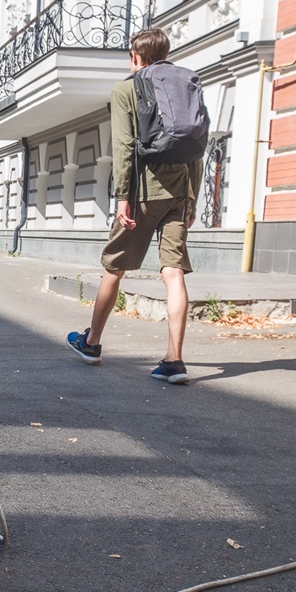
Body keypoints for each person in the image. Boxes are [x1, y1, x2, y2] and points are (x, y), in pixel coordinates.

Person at [66, 28, 203, 385]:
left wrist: (122, 198)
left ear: (135, 57)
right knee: (173, 273)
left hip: (143, 193)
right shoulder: (185, 84)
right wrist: (193, 198)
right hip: (179, 192)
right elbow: (197, 147)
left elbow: (125, 148)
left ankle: (92, 343)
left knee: (114, 267)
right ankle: (174, 361)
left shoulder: (127, 88)